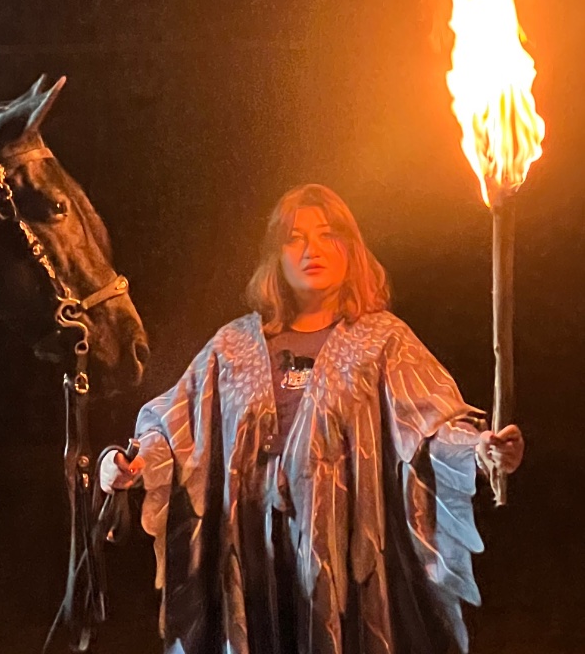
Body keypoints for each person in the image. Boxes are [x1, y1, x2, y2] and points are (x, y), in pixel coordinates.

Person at [100, 183, 524, 654]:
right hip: (251, 559)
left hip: (345, 566)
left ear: (351, 248)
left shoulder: (383, 341)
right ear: (275, 256)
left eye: (327, 235)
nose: (311, 250)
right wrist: (130, 464)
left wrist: (479, 450)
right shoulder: (231, 347)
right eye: (295, 238)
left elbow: (430, 429)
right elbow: (172, 428)